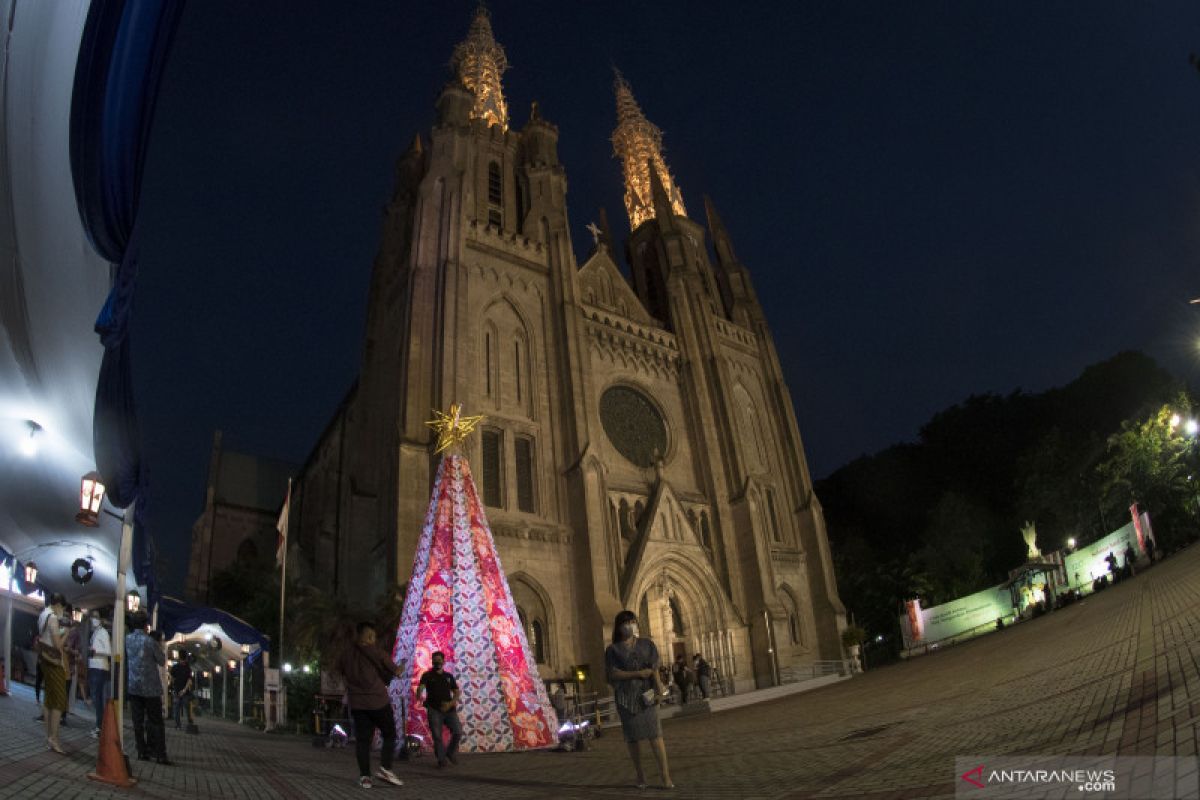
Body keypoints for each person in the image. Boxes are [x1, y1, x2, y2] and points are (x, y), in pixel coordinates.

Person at [604, 609, 673, 790]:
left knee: (656, 735)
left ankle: (665, 776)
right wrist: (637, 673)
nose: (630, 625)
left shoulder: (646, 644)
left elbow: (654, 667)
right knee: (633, 739)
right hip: (626, 698)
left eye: (632, 621)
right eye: (626, 622)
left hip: (646, 695)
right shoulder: (613, 650)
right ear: (619, 627)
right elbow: (613, 673)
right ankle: (640, 776)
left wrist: (659, 688)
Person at [337, 621, 405, 789]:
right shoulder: (377, 652)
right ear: (367, 636)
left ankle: (365, 777)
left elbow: (341, 672)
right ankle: (385, 768)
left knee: (363, 741)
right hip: (378, 702)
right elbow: (396, 671)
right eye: (372, 636)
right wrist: (401, 665)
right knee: (390, 734)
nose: (374, 639)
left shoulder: (346, 654)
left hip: (358, 704)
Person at [126, 612, 171, 765]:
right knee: (156, 721)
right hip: (150, 687)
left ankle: (141, 751)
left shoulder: (127, 639)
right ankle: (160, 754)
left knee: (137, 721)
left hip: (133, 686)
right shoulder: (149, 641)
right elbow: (161, 661)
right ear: (146, 625)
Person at [37, 592, 69, 753]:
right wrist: (67, 634)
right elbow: (57, 645)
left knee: (49, 699)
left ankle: (48, 737)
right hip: (54, 663)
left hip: (44, 660)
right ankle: (54, 738)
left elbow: (46, 637)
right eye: (62, 607)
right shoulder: (53, 618)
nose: (61, 611)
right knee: (59, 701)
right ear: (58, 604)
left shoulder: (43, 614)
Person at [419, 650, 462, 768]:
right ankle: (441, 759)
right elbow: (421, 687)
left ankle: (450, 752)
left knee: (458, 731)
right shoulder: (427, 675)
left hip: (449, 710)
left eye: (439, 660)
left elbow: (456, 692)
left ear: (443, 661)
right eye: (435, 660)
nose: (437, 662)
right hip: (434, 710)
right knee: (437, 736)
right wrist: (419, 694)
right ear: (432, 661)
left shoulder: (449, 676)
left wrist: (451, 703)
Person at [87, 610, 111, 738]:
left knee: (98, 699)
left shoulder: (103, 633)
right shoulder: (96, 632)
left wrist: (95, 651)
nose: (93, 619)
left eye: (96, 617)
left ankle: (100, 727)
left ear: (100, 619)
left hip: (100, 667)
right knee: (96, 698)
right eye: (92, 617)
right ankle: (99, 725)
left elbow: (108, 651)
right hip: (95, 667)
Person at [168, 652, 195, 729]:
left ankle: (183, 723)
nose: (184, 661)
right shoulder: (185, 668)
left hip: (181, 691)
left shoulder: (179, 667)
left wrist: (181, 689)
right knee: (181, 708)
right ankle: (182, 724)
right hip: (181, 691)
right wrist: (182, 689)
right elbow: (189, 681)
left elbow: (189, 680)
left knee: (181, 707)